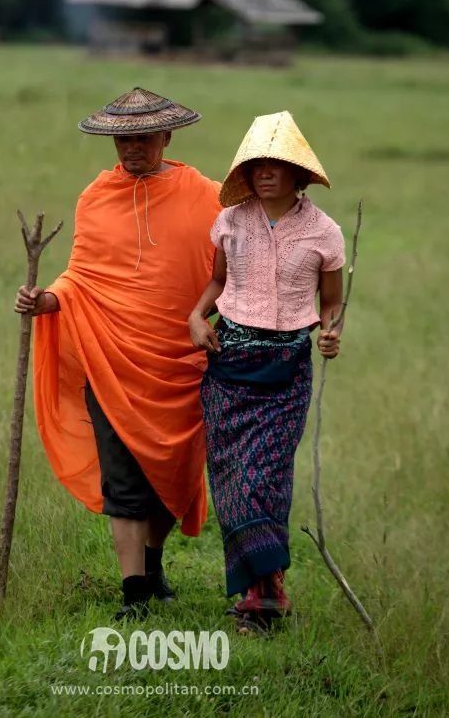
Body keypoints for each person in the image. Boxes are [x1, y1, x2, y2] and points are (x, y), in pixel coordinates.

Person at [15, 87, 221, 620]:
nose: (132, 148)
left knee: (173, 475)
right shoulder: (95, 198)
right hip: (108, 358)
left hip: (180, 363)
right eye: (123, 140)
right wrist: (47, 300)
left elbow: (231, 268)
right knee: (124, 481)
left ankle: (152, 566)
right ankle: (134, 595)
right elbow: (83, 275)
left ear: (167, 137)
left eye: (143, 138)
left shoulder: (208, 196)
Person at [188, 110, 345, 632]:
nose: (266, 173)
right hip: (229, 368)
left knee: (267, 480)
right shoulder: (230, 222)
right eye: (257, 166)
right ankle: (263, 596)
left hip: (286, 373)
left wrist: (330, 331)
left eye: (277, 165)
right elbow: (216, 285)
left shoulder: (325, 232)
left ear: (299, 173)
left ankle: (266, 591)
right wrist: (195, 317)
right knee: (233, 480)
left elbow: (333, 302)